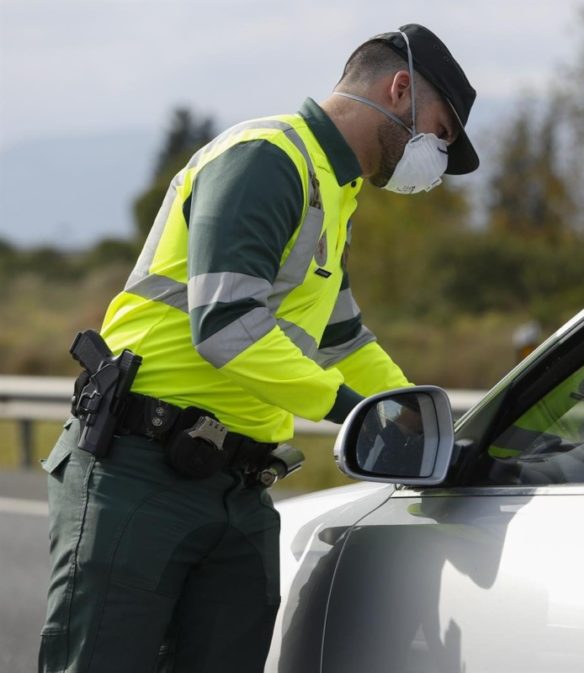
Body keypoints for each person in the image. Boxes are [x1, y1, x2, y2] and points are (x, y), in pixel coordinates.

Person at [38, 23, 478, 673]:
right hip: (138, 472)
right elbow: (225, 327)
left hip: (237, 488)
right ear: (401, 88)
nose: (436, 156)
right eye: (439, 133)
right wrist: (356, 413)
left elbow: (345, 340)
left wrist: (430, 424)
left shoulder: (335, 192)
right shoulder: (268, 159)